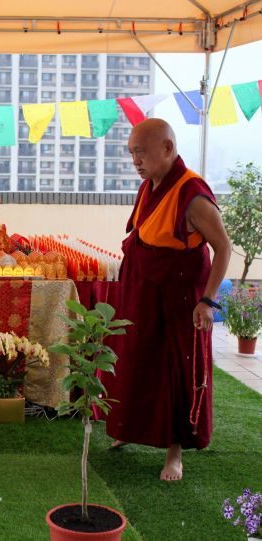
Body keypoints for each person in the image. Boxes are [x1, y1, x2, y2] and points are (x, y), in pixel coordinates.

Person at [105, 118, 231, 482]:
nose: (136, 161)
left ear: (168, 149)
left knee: (176, 371)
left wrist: (207, 302)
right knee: (137, 359)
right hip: (143, 290)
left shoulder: (193, 194)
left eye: (141, 152)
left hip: (179, 296)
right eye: (132, 154)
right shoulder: (150, 186)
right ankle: (128, 427)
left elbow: (222, 248)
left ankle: (175, 452)